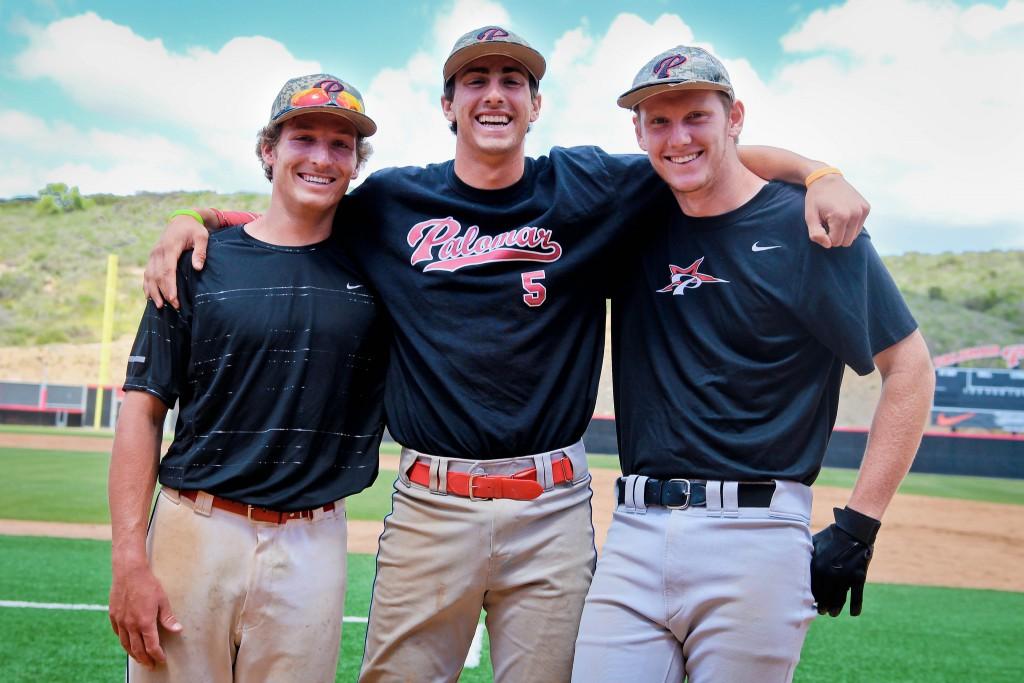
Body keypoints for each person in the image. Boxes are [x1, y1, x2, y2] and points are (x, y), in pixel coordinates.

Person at [143, 27, 872, 683]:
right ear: (448, 104)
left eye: (512, 81)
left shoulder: (588, 185)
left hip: (551, 505)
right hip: (432, 502)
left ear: (534, 103)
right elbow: (295, 212)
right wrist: (195, 217)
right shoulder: (393, 202)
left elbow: (707, 157)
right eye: (476, 80)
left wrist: (817, 171)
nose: (495, 94)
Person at [570, 46, 935, 683]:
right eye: (658, 121)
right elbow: (702, 162)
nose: (677, 138)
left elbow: (910, 370)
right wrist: (819, 167)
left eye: (696, 117)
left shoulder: (811, 229)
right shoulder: (639, 211)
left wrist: (859, 526)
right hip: (632, 530)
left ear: (734, 116)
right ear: (638, 132)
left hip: (757, 534)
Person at [107, 73, 388, 682]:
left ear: (357, 163)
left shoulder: (379, 270)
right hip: (194, 527)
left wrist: (199, 211)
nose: (321, 157)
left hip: (314, 539)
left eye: (341, 145)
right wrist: (129, 559)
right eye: (302, 138)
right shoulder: (199, 261)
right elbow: (142, 411)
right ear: (269, 150)